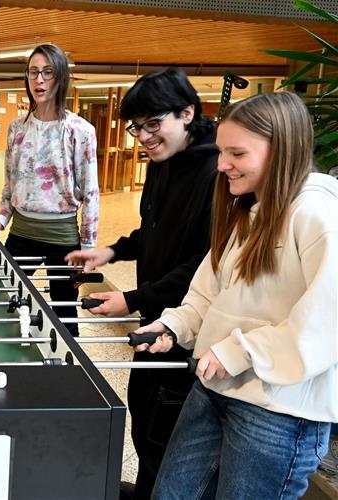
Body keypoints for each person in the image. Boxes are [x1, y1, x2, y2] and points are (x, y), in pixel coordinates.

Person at [134, 91, 338, 499]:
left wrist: (236, 353)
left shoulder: (318, 216)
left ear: (281, 149)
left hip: (278, 414)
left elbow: (324, 325)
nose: (222, 163)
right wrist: (174, 325)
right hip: (214, 390)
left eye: (237, 153)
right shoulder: (246, 208)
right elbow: (210, 292)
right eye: (223, 150)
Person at [66, 67, 218, 499]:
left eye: (155, 123)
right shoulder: (162, 163)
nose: (146, 136)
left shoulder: (214, 175)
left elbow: (201, 266)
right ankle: (149, 487)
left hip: (186, 330)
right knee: (144, 410)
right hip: (154, 322)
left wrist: (133, 298)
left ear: (187, 112)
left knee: (169, 437)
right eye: (138, 127)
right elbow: (151, 232)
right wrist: (110, 252)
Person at [0, 43, 99, 336]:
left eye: (47, 73)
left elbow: (90, 194)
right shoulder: (17, 128)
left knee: (64, 311)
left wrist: (88, 250)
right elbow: (11, 182)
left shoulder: (81, 131)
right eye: (33, 73)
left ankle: (68, 374)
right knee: (2, 301)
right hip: (22, 234)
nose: (39, 80)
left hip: (63, 238)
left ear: (60, 77)